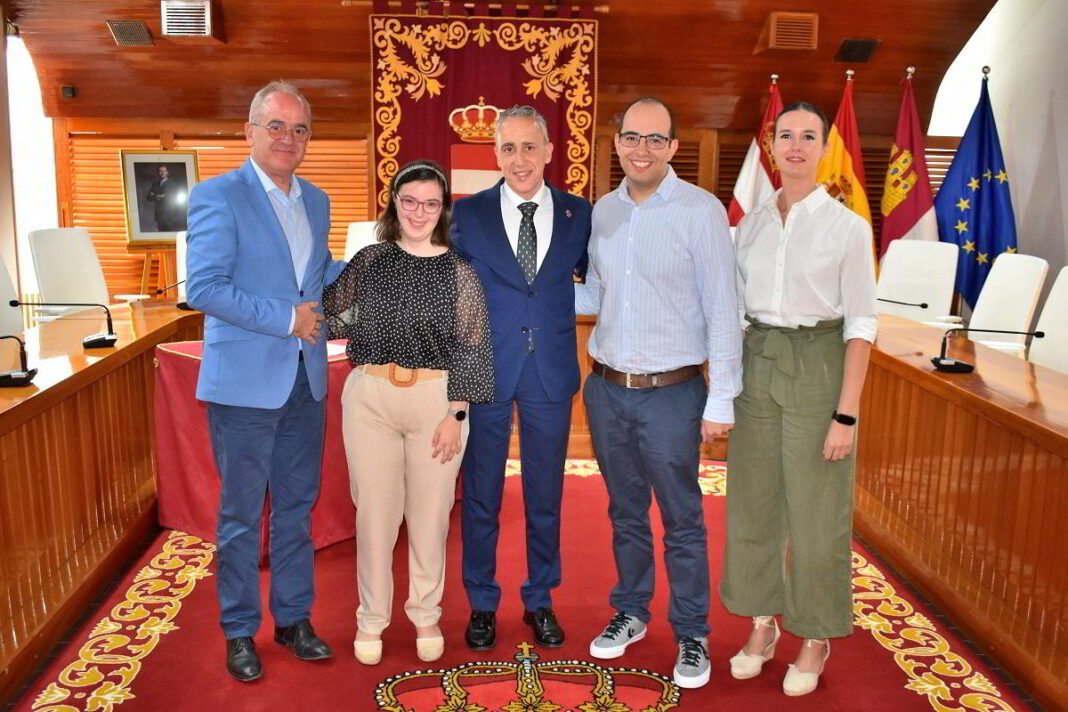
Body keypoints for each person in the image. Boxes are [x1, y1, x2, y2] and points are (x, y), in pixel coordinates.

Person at [575, 96, 742, 690]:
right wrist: (527, 294)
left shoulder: (701, 211)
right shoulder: (603, 212)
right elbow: (594, 297)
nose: (641, 149)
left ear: (673, 147)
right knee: (624, 513)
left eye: (655, 139)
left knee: (682, 518)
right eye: (631, 138)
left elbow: (725, 309)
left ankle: (693, 632)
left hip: (673, 393)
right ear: (616, 143)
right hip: (608, 390)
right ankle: (632, 610)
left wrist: (722, 400)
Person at [185, 80, 346, 682]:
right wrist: (287, 319)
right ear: (249, 131)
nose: (288, 138)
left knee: (297, 511)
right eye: (275, 125)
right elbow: (203, 287)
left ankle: (294, 618)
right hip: (245, 386)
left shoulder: (318, 200)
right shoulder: (217, 196)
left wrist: (382, 266)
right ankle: (238, 631)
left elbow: (319, 276)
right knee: (240, 515)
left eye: (299, 128)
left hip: (306, 381)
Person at [720, 101, 876, 697]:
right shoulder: (750, 224)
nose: (796, 147)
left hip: (818, 367)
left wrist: (845, 413)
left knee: (816, 511)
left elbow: (861, 325)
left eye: (809, 137)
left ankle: (814, 634)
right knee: (754, 504)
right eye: (786, 136)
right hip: (758, 364)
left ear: (823, 148)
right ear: (771, 144)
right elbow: (733, 313)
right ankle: (762, 624)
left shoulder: (847, 228)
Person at [322, 160, 494, 665]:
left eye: (430, 203)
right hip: (370, 397)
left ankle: (425, 614)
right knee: (375, 517)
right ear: (394, 203)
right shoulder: (370, 260)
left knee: (429, 518)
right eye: (409, 200)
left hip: (436, 403)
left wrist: (456, 414)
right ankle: (370, 620)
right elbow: (330, 314)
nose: (419, 212)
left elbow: (474, 345)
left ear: (443, 210)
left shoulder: (459, 270)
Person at [451, 105, 591, 651]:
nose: (519, 159)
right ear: (496, 154)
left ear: (550, 151)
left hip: (550, 374)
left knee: (545, 494)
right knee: (481, 494)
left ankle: (540, 600)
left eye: (529, 147)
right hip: (486, 371)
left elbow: (597, 282)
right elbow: (454, 295)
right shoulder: (469, 214)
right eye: (508, 148)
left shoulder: (581, 214)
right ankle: (482, 603)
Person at [146, 165, 185, 232]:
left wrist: (158, 195)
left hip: (170, 214)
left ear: (167, 172)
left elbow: (173, 197)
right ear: (158, 173)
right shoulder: (155, 184)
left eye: (164, 171)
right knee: (161, 234)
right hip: (159, 214)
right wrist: (157, 196)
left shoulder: (172, 184)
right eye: (160, 171)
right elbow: (148, 197)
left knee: (170, 234)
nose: (162, 173)